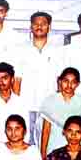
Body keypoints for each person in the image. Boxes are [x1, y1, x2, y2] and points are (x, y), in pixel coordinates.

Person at [13, 11, 64, 145]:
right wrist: (16, 105)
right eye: (36, 24)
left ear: (49, 27)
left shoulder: (58, 51)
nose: (39, 26)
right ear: (31, 27)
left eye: (43, 24)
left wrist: (59, 104)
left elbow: (61, 81)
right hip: (26, 105)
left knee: (48, 143)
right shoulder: (20, 50)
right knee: (25, 142)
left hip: (49, 107)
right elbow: (16, 81)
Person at [40, 67, 81, 159]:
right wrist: (43, 154)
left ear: (78, 84)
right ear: (60, 81)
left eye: (73, 82)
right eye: (66, 81)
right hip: (55, 146)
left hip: (78, 148)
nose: (69, 85)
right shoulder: (50, 101)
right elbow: (46, 130)